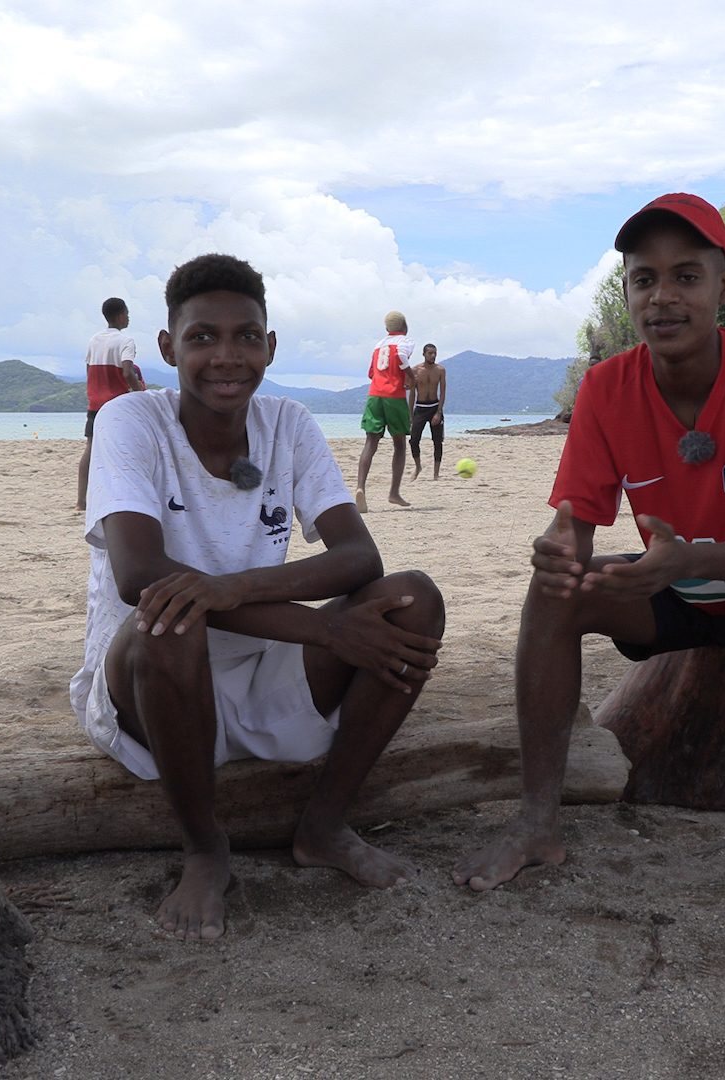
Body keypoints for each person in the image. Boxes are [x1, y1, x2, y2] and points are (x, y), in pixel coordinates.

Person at [453, 194, 725, 955]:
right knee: (552, 597)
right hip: (671, 590)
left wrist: (693, 559)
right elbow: (574, 525)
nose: (663, 297)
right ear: (627, 295)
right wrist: (560, 555)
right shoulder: (609, 387)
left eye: (686, 276)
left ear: (724, 286)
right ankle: (539, 822)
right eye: (644, 280)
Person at [70, 255, 445, 942]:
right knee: (169, 621)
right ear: (166, 347)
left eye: (246, 336)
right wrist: (325, 633)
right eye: (201, 337)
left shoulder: (289, 424)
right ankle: (205, 850)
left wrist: (232, 587)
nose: (226, 356)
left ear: (270, 347)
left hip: (264, 670)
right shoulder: (132, 421)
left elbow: (360, 558)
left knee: (413, 598)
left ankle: (325, 824)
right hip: (151, 685)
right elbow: (137, 575)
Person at [76, 297, 147, 512]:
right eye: (127, 313)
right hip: (117, 404)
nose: (129, 317)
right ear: (120, 316)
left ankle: (81, 502)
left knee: (90, 448)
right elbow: (127, 372)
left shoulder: (94, 340)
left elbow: (89, 371)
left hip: (95, 403)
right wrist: (141, 394)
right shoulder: (126, 341)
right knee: (121, 449)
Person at [354, 311, 413, 510]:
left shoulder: (378, 345)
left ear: (387, 329)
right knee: (399, 445)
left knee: (370, 442)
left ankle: (360, 488)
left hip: (374, 396)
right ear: (404, 326)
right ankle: (394, 492)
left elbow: (372, 373)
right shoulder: (405, 341)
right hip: (394, 397)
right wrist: (410, 377)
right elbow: (401, 356)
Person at [407, 343, 448, 480]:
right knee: (413, 440)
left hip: (434, 407)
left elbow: (442, 393)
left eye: (435, 353)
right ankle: (418, 466)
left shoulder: (440, 370)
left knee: (437, 441)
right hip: (420, 408)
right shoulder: (415, 370)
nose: (433, 356)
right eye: (430, 353)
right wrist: (410, 414)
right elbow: (412, 393)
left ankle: (436, 474)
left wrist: (439, 412)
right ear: (424, 354)